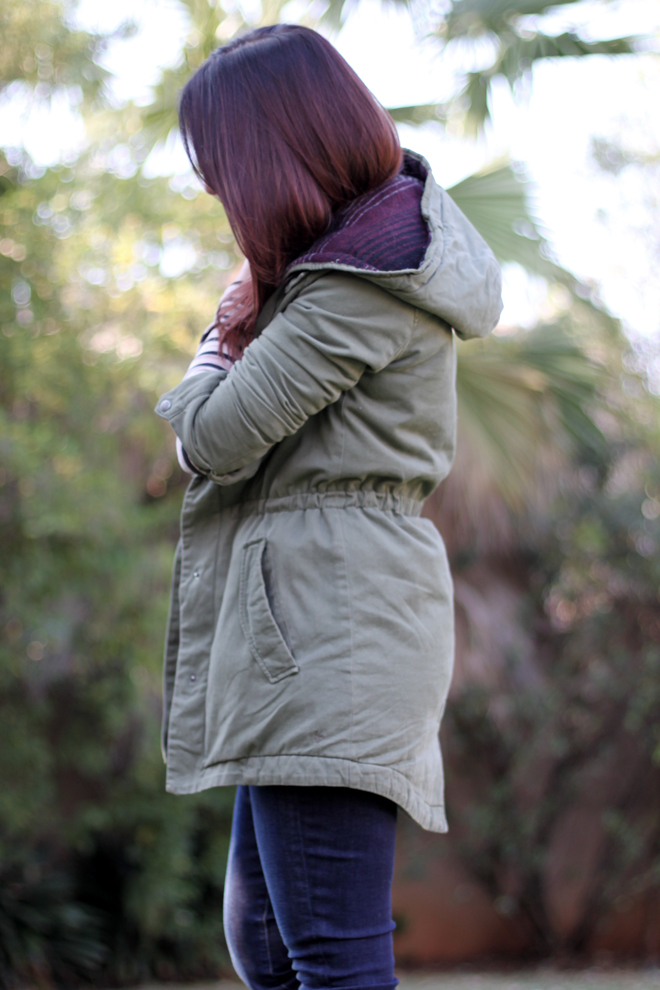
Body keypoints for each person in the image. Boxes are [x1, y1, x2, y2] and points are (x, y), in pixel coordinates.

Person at [155, 23, 502, 990]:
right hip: (307, 625)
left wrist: (220, 341)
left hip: (329, 629)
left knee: (332, 960)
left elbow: (210, 441)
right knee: (266, 943)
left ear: (270, 154)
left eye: (218, 163)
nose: (214, 188)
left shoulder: (362, 289)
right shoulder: (342, 272)